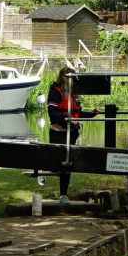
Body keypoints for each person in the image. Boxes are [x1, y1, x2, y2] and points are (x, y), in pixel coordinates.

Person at [45, 65, 79, 198]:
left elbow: (78, 113)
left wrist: (92, 114)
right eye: (70, 77)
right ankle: (42, 171)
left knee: (67, 164)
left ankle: (63, 194)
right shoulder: (55, 91)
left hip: (71, 133)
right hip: (58, 133)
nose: (73, 80)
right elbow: (52, 114)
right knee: (58, 164)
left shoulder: (74, 94)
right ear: (63, 77)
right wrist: (67, 120)